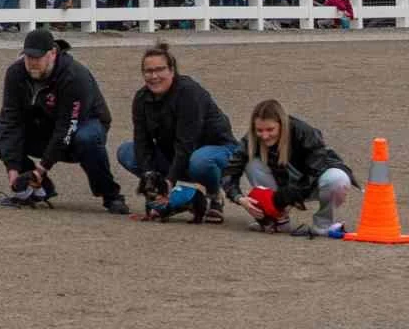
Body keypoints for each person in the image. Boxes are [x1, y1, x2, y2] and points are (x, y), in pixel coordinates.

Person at [0, 28, 127, 212]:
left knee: (86, 138)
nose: (32, 63)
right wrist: (13, 170)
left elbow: (67, 127)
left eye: (38, 58)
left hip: (81, 127)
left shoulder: (74, 76)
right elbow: (10, 120)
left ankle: (111, 195)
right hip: (44, 127)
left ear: (52, 54)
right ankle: (39, 188)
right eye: (28, 57)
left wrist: (41, 169)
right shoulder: (16, 73)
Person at [117, 42, 240, 223]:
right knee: (127, 151)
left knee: (200, 161)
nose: (154, 76)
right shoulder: (141, 98)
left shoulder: (188, 92)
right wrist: (151, 180)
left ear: (172, 70)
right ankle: (167, 199)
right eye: (148, 71)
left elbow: (186, 143)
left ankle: (214, 196)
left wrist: (169, 180)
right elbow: (142, 142)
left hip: (215, 150)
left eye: (160, 70)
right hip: (176, 153)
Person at [222, 99, 356, 236]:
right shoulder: (250, 139)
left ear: (282, 124)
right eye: (259, 130)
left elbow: (315, 170)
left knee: (338, 178)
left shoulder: (305, 132)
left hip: (313, 182)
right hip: (283, 185)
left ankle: (323, 224)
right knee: (251, 164)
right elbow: (230, 170)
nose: (265, 136)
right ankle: (277, 219)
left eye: (270, 129)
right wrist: (239, 198)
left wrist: (287, 197)